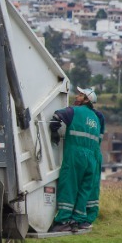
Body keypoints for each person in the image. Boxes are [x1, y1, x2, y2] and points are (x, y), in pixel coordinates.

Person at [48, 85, 105, 234]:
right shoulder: (97, 118)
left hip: (75, 155)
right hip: (92, 158)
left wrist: (54, 132)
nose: (76, 97)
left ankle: (63, 220)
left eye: (80, 95)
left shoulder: (74, 111)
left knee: (69, 186)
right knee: (84, 189)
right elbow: (99, 140)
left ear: (86, 99)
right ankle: (78, 220)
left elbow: (56, 117)